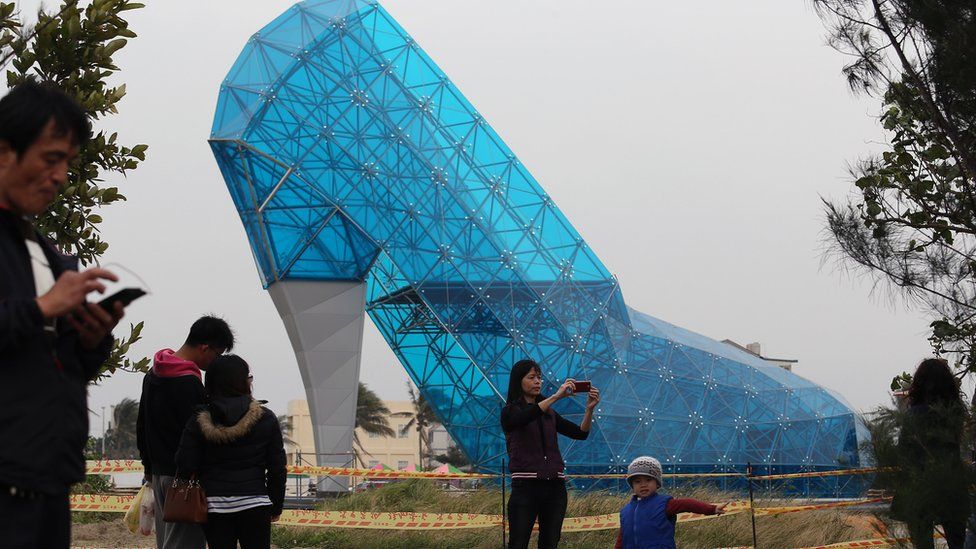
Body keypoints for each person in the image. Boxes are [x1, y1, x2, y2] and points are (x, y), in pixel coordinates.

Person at [0, 81, 127, 548]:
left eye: (67, 164)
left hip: (47, 479)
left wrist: (90, 341)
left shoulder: (44, 251)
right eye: (50, 158)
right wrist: (43, 307)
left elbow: (59, 365)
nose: (59, 176)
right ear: (4, 152)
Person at [137, 315, 234, 549]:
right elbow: (197, 434)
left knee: (167, 541)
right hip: (183, 477)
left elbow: (142, 424)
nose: (215, 362)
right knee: (185, 542)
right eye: (217, 354)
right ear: (205, 347)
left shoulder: (154, 373)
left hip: (158, 473)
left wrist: (148, 468)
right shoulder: (188, 382)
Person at [175, 355, 287, 549]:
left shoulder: (197, 421)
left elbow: (185, 464)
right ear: (244, 381)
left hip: (214, 507)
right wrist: (275, 505)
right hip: (256, 504)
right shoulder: (266, 418)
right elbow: (277, 468)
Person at [500, 359, 600, 549]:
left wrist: (589, 410)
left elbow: (580, 433)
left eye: (539, 377)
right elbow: (524, 417)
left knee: (550, 542)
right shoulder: (509, 412)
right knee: (518, 542)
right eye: (531, 377)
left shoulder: (550, 414)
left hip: (555, 486)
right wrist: (556, 396)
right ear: (518, 381)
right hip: (525, 486)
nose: (537, 381)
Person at [891, 358, 969, 549]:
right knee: (958, 541)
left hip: (919, 486)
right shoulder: (956, 413)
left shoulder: (914, 415)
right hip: (952, 485)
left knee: (923, 543)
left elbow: (903, 450)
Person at [613, 456, 727, 549]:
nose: (643, 484)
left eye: (648, 480)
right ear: (632, 486)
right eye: (637, 481)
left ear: (657, 483)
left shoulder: (664, 504)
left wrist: (712, 509)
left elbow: (687, 504)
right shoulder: (625, 511)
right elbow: (622, 537)